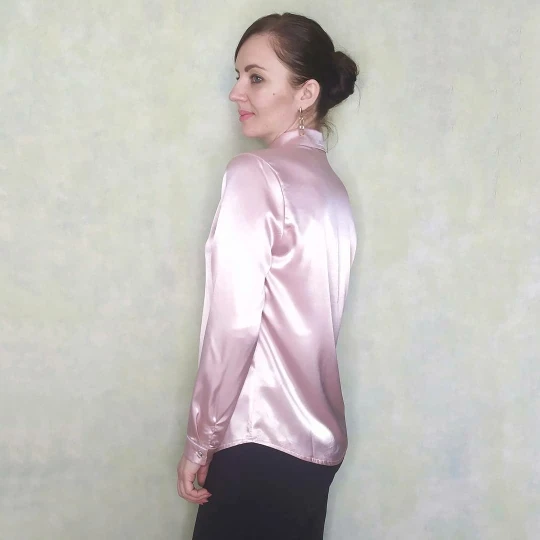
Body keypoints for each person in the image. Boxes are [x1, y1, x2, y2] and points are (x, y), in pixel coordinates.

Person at [177, 12, 359, 540]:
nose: (236, 92)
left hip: (258, 440)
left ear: (306, 93)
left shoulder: (255, 173)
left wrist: (200, 440)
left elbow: (234, 325)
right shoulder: (332, 188)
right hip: (314, 449)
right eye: (238, 75)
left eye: (255, 77)